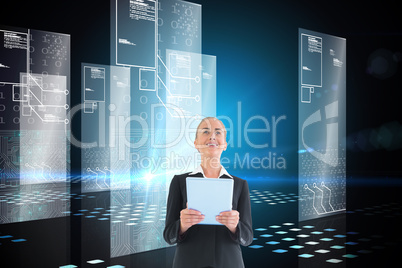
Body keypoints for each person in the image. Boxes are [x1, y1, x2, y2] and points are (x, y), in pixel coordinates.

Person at [163, 117, 253, 268]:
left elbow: (248, 238)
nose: (212, 136)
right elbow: (168, 236)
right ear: (196, 143)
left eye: (218, 132)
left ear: (224, 145)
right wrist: (182, 225)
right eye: (206, 131)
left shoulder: (240, 185)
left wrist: (235, 226)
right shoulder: (179, 182)